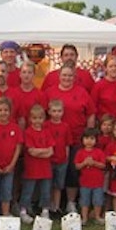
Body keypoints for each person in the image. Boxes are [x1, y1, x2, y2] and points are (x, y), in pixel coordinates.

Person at [44, 62, 96, 213]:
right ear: (59, 76)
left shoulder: (82, 92)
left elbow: (91, 113)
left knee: (73, 171)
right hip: (53, 140)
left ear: (75, 77)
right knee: (52, 172)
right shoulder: (49, 92)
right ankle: (51, 204)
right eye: (64, 75)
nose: (67, 78)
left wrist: (89, 135)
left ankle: (71, 202)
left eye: (70, 75)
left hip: (77, 138)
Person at [0, 97, 23, 230]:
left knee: (7, 192)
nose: (3, 113)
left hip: (9, 167)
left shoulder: (15, 128)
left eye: (6, 110)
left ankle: (5, 214)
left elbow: (18, 147)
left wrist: (12, 164)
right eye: (0, 110)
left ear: (10, 111)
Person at [20, 104, 55, 223]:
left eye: (40, 118)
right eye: (34, 118)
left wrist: (39, 151)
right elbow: (31, 151)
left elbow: (51, 151)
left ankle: (45, 210)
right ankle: (23, 211)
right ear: (30, 119)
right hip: (31, 168)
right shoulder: (28, 132)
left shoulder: (47, 132)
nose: (37, 121)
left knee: (46, 191)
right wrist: (43, 151)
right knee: (28, 191)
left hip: (45, 169)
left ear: (44, 119)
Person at [44, 99, 72, 216]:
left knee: (58, 185)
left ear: (63, 112)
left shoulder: (65, 126)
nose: (56, 114)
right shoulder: (46, 125)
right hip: (49, 160)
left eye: (59, 111)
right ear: (49, 112)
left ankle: (56, 206)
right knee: (47, 184)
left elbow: (67, 144)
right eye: (54, 111)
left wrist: (66, 157)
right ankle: (47, 206)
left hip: (61, 160)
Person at [75, 128, 106, 226]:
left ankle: (97, 216)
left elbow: (103, 165)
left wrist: (94, 163)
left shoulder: (99, 152)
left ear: (96, 140)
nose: (89, 141)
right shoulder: (80, 152)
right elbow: (77, 166)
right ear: (82, 139)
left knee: (98, 200)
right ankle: (84, 218)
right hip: (85, 182)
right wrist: (84, 163)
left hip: (98, 183)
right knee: (84, 201)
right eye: (86, 138)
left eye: (92, 138)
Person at [90, 54, 116, 120]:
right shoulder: (98, 86)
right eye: (110, 66)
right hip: (104, 124)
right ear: (105, 68)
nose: (113, 69)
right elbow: (92, 107)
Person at [16, 61, 47, 129]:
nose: (26, 75)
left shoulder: (40, 94)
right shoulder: (13, 93)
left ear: (34, 75)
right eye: (24, 72)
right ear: (20, 74)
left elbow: (43, 116)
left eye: (29, 72)